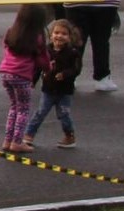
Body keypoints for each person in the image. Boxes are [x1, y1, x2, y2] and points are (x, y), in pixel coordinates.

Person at [0, 3, 48, 153]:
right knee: (23, 109)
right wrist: (49, 68)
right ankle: (17, 141)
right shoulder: (36, 38)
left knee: (14, 107)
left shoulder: (11, 32)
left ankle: (7, 140)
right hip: (22, 76)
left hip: (6, 73)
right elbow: (42, 60)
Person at [25, 17, 82, 148]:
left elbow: (76, 69)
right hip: (48, 89)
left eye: (64, 34)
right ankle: (29, 135)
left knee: (64, 114)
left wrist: (65, 74)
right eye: (56, 33)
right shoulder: (46, 51)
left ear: (70, 37)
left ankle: (69, 136)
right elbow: (38, 67)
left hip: (65, 91)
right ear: (51, 35)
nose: (59, 36)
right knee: (40, 112)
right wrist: (33, 80)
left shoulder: (73, 53)